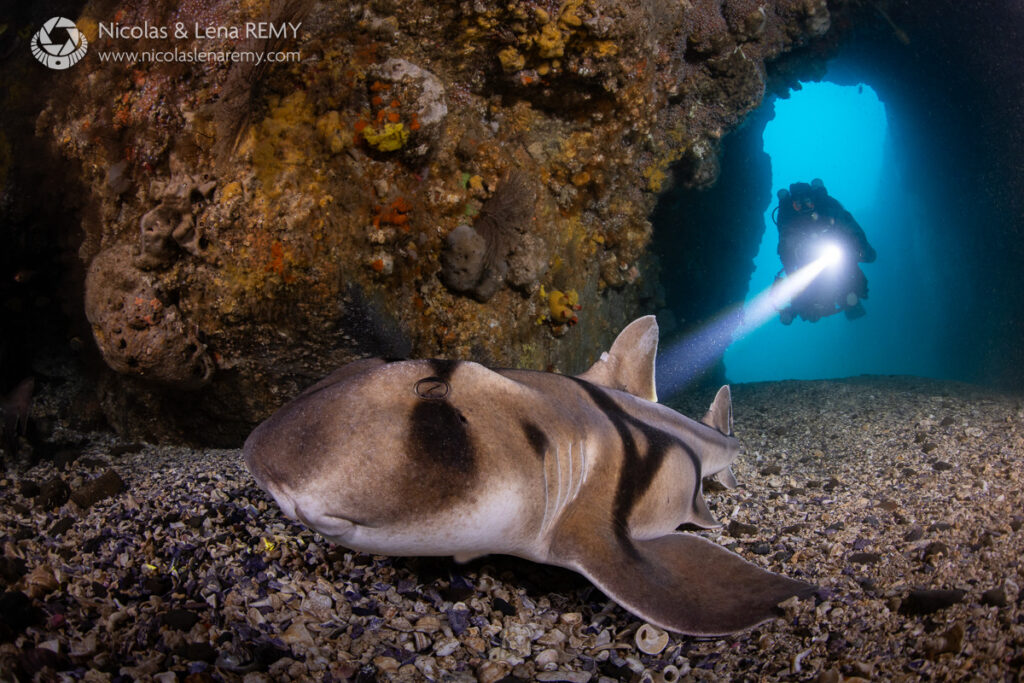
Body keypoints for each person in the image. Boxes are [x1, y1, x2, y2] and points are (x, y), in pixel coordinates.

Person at [773, 179, 876, 324]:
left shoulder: (828, 211)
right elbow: (785, 251)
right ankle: (805, 307)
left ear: (814, 201)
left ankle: (851, 301)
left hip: (834, 250)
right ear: (793, 206)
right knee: (806, 298)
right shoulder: (789, 223)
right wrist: (791, 272)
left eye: (808, 202)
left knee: (849, 275)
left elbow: (851, 227)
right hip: (806, 260)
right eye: (798, 205)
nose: (804, 208)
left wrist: (862, 251)